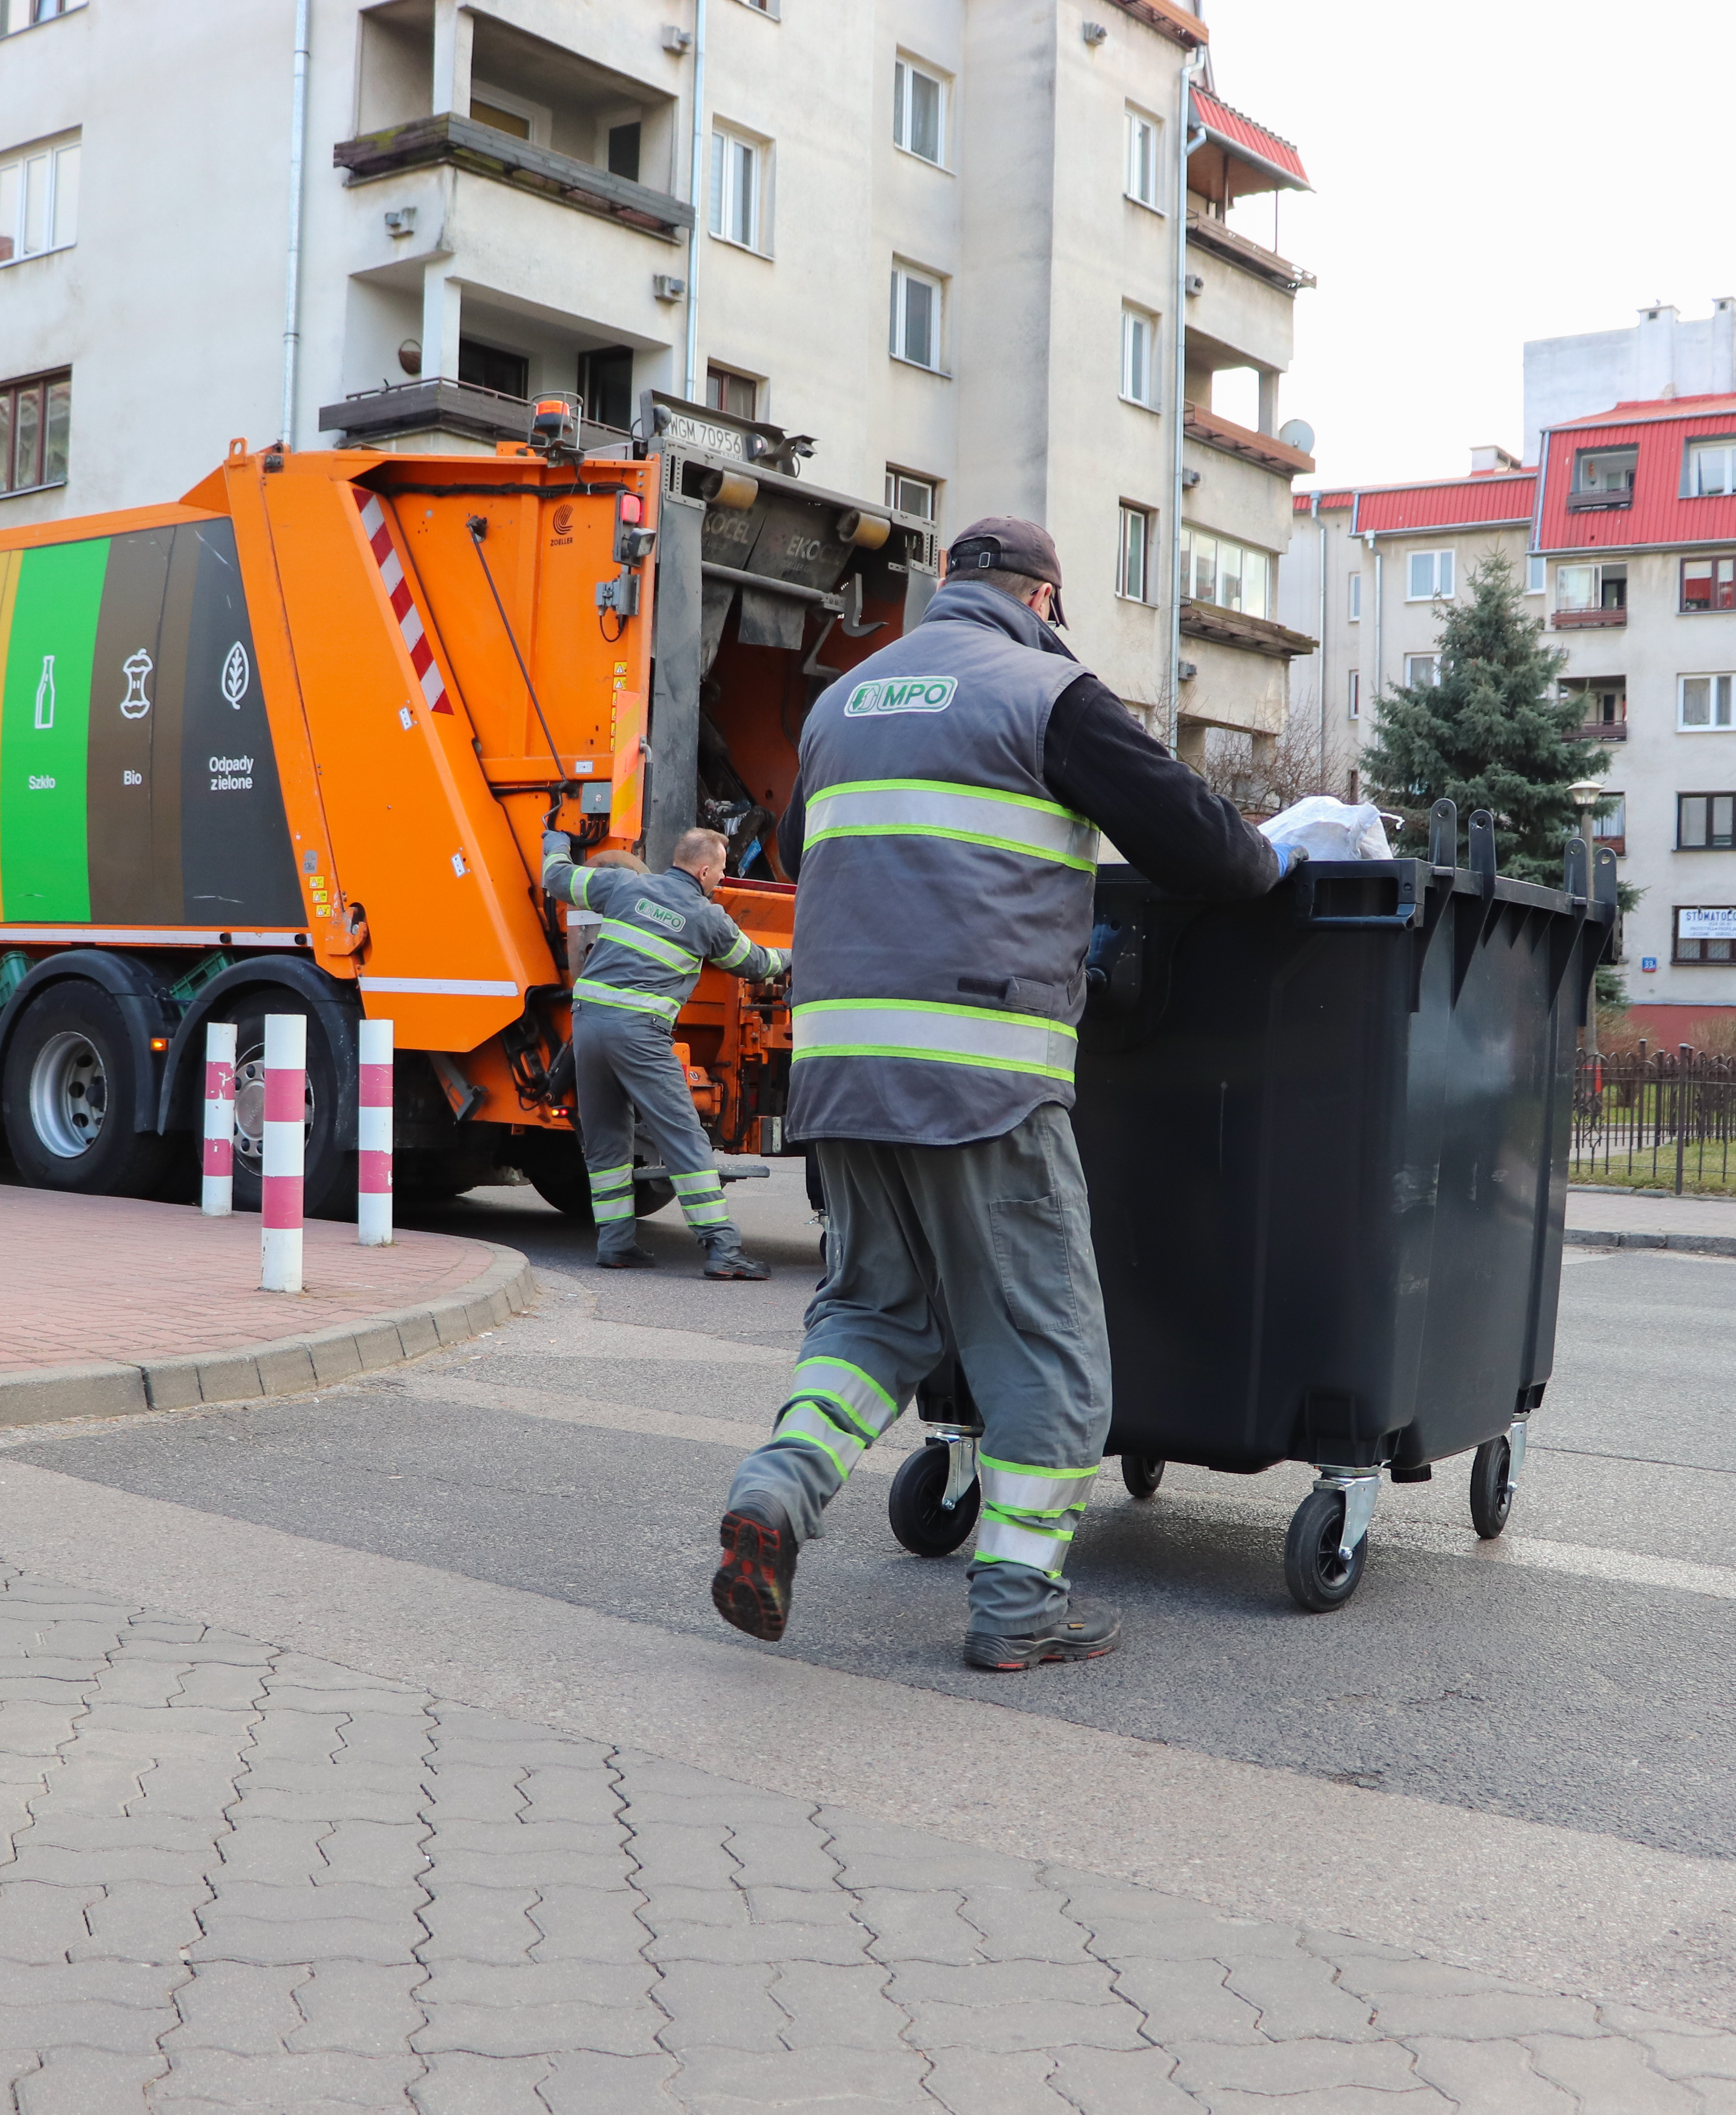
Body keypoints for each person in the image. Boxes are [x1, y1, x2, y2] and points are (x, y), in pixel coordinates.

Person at [711, 516, 1292, 1672]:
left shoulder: (841, 703)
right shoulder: (1047, 691)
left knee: (875, 1315)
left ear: (946, 591)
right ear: (1042, 598)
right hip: (981, 1072)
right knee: (1047, 1340)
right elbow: (1206, 849)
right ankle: (1020, 1597)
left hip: (840, 1071)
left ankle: (776, 1485)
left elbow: (796, 849)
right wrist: (1278, 865)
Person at [541, 825, 789, 1280]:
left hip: (589, 1027)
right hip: (639, 1034)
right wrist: (795, 955)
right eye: (721, 870)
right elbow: (756, 964)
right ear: (703, 869)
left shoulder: (623, 885)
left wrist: (556, 838)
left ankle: (615, 1244)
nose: (721, 878)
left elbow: (557, 878)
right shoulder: (708, 917)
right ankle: (723, 1249)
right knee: (684, 1137)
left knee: (606, 1140)